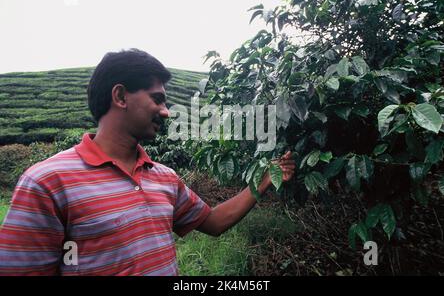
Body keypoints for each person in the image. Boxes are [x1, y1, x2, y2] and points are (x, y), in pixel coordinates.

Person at [0, 49, 296, 275]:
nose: (166, 112)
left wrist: (265, 179)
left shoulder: (164, 177)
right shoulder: (47, 181)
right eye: (157, 99)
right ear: (120, 96)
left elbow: (214, 222)